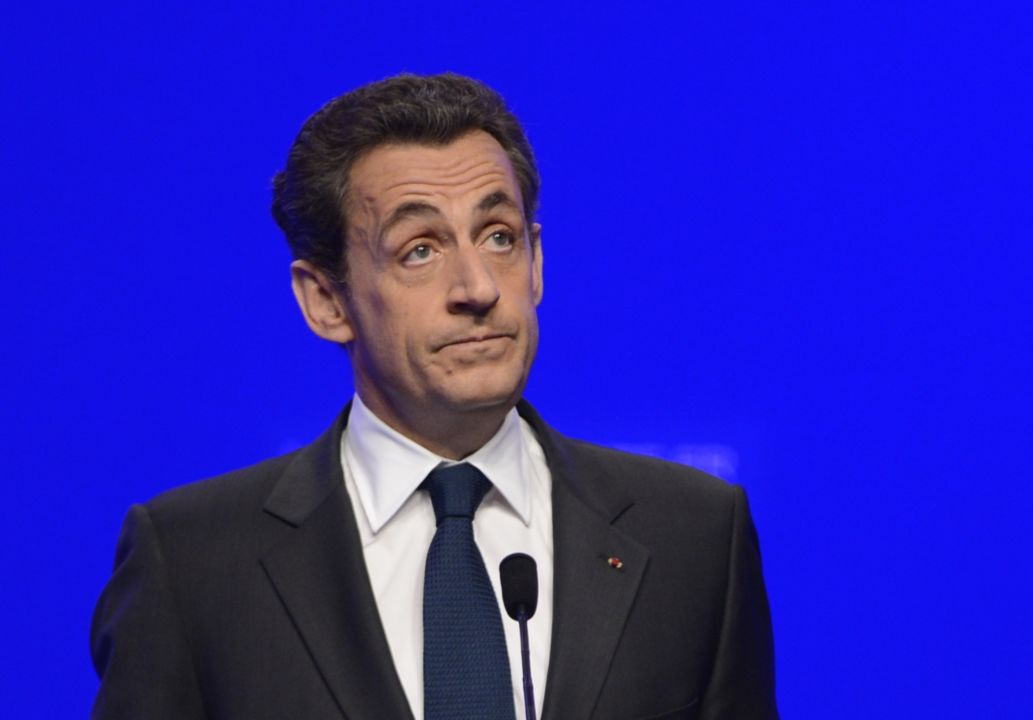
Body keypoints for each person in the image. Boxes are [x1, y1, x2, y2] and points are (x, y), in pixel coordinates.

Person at [90, 73, 776, 720]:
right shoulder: (192, 564)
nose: (477, 287)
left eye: (498, 236)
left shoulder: (695, 534)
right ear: (327, 301)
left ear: (536, 263)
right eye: (420, 249)